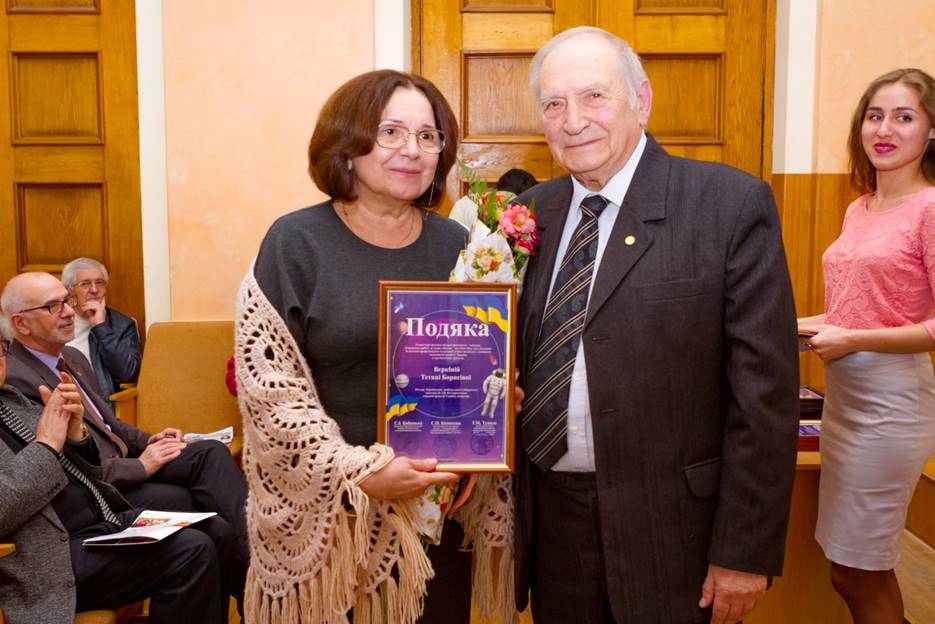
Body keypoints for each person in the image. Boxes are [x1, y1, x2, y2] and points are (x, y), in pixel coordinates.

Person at [513, 27, 799, 624]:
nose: (573, 121)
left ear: (641, 100)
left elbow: (765, 397)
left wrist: (743, 551)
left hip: (676, 536)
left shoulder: (728, 205)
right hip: (554, 530)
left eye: (594, 96)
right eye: (553, 104)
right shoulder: (531, 213)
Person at [235, 69, 513, 624]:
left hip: (436, 511)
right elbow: (271, 394)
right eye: (391, 132)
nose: (412, 150)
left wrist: (489, 421)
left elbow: (472, 359)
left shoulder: (458, 244)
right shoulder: (296, 241)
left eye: (428, 136)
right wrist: (357, 471)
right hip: (333, 518)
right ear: (348, 143)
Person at [0, 271, 249, 615]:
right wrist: (51, 445)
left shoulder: (15, 397)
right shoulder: (20, 381)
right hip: (54, 550)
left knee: (214, 519)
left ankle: (258, 583)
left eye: (0, 350)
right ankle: (260, 582)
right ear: (21, 325)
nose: (69, 311)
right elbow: (26, 485)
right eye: (53, 306)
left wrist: (80, 437)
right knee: (192, 542)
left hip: (96, 514)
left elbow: (94, 442)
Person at [797, 68, 935, 624]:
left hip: (892, 406)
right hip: (846, 403)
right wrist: (787, 326)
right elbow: (853, 311)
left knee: (859, 569)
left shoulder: (930, 208)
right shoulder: (860, 208)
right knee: (845, 567)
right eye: (875, 116)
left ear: (931, 130)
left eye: (904, 117)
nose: (885, 129)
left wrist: (850, 338)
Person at [62, 257, 141, 409]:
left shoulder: (123, 325)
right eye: (85, 284)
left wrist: (100, 327)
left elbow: (127, 374)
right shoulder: (55, 321)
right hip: (61, 398)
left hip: (100, 407)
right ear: (69, 290)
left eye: (99, 282)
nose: (94, 290)